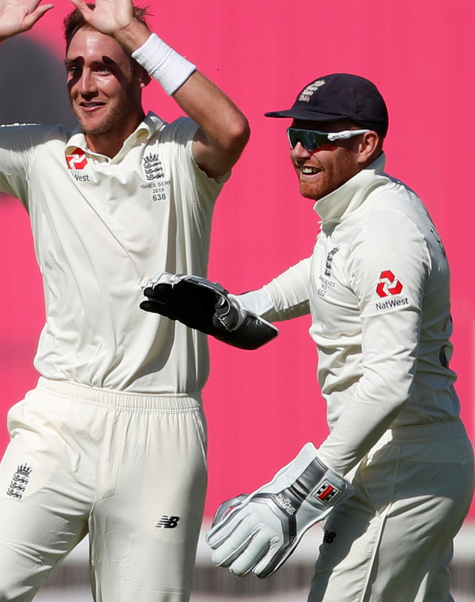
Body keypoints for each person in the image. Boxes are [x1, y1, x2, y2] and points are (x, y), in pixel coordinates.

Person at [0, 0, 250, 602]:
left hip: (162, 431)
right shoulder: (41, 153)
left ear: (140, 75)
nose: (85, 83)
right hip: (61, 420)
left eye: (104, 67)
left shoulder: (180, 154)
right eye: (74, 68)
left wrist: (135, 31)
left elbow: (231, 129)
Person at [151, 74, 474, 599]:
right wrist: (246, 306)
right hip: (403, 462)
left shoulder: (384, 232)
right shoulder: (358, 212)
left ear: (365, 144)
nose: (300, 150)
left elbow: (389, 382)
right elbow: (325, 271)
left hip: (400, 467)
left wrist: (299, 493)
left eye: (319, 138)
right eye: (295, 135)